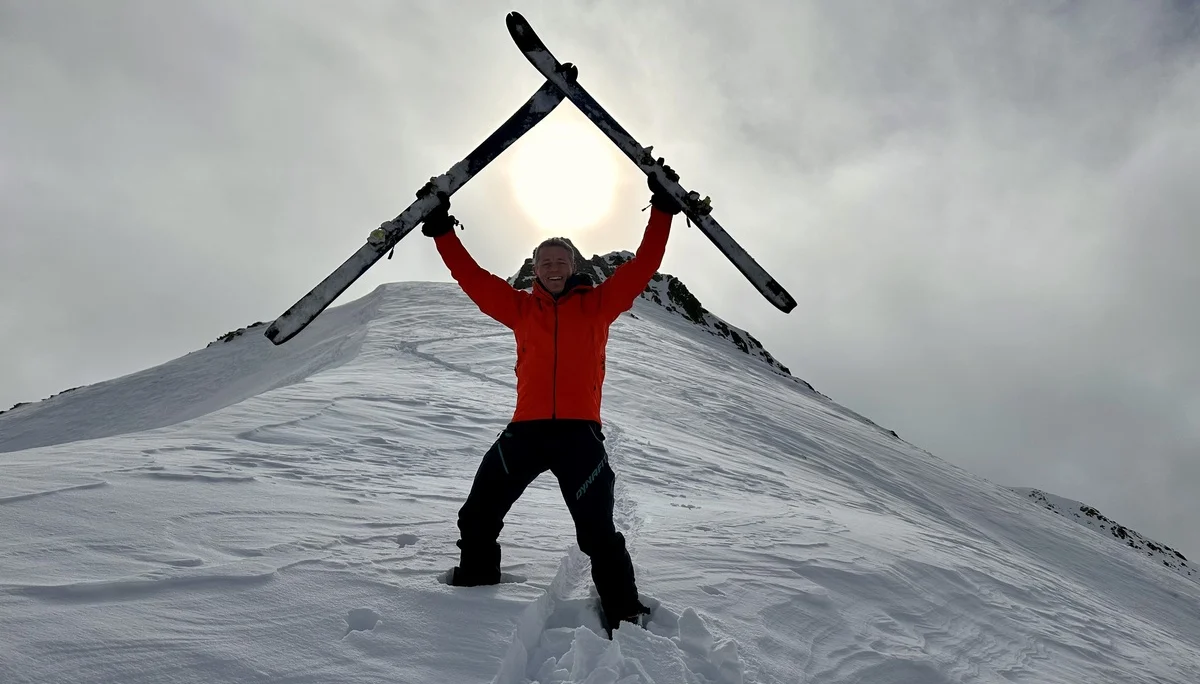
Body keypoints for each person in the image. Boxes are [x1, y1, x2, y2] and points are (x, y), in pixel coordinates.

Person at [418, 161, 684, 634]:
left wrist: (662, 209)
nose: (553, 268)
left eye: (561, 261)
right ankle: (476, 582)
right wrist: (442, 232)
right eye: (545, 262)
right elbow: (473, 279)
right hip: (525, 433)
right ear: (535, 270)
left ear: (574, 267)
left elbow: (644, 264)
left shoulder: (599, 305)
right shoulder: (521, 310)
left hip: (579, 437)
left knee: (597, 531)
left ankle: (623, 607)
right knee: (478, 513)